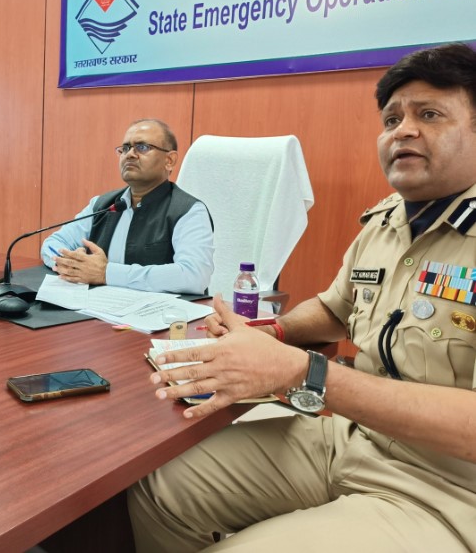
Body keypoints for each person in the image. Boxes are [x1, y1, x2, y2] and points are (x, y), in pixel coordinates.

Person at [128, 43, 476, 552]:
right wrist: (270, 333)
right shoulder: (387, 222)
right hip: (355, 439)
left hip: (448, 489)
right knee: (160, 484)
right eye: (391, 119)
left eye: (429, 114)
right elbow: (336, 309)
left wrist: (299, 372)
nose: (402, 130)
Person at [40, 118, 213, 293]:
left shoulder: (188, 211)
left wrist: (107, 273)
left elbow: (194, 275)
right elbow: (53, 243)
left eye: (142, 147)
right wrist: (69, 263)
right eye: (125, 148)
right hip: (98, 306)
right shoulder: (103, 205)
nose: (130, 154)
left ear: (169, 160)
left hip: (159, 309)